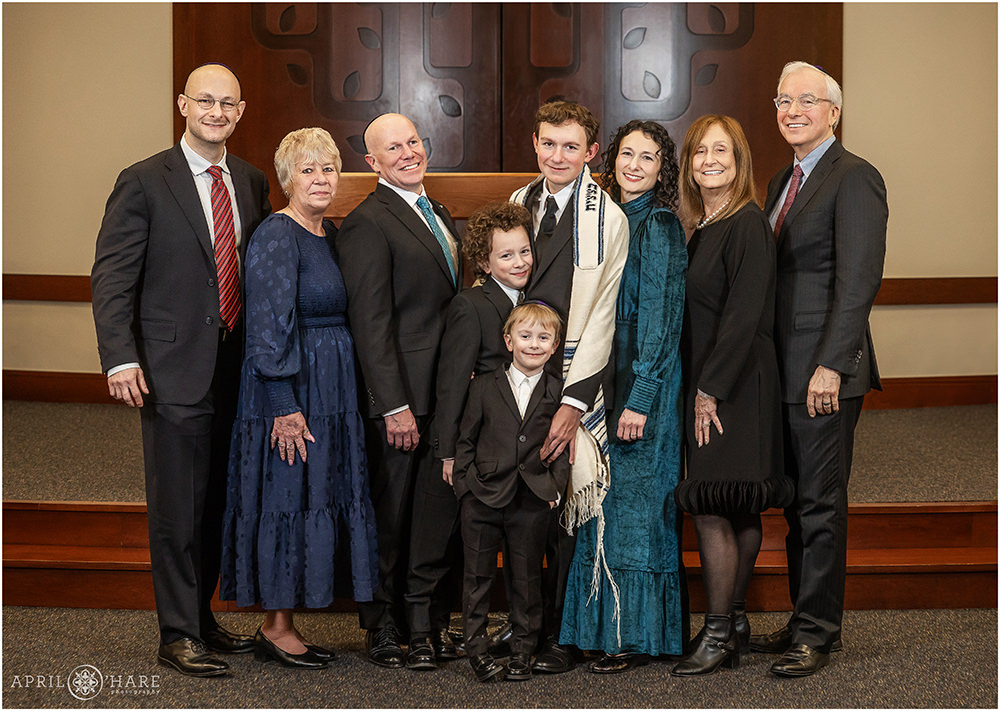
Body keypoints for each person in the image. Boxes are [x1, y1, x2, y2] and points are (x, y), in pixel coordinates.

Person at [90, 63, 271, 677]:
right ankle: (176, 635)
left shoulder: (249, 181)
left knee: (218, 497)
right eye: (205, 101)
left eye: (228, 103)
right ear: (183, 105)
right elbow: (113, 277)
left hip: (235, 367)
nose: (216, 112)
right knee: (177, 506)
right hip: (170, 368)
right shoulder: (143, 180)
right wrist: (120, 355)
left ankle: (203, 620)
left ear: (240, 112)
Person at [218, 128, 378, 669]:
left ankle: (290, 621)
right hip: (289, 386)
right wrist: (284, 405)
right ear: (288, 178)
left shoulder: (327, 232)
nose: (320, 179)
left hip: (332, 385)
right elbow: (264, 327)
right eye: (307, 170)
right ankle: (275, 626)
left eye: (328, 169)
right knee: (287, 494)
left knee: (317, 491)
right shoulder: (276, 235)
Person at [749, 61, 887, 678]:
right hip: (783, 373)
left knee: (822, 504)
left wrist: (831, 365)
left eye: (806, 100)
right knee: (798, 503)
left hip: (824, 374)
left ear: (834, 111)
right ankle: (804, 617)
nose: (792, 109)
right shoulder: (784, 179)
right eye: (782, 100)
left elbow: (857, 284)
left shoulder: (855, 177)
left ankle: (818, 633)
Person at [559, 120, 688, 672]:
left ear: (663, 171)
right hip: (606, 373)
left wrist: (641, 397)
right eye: (628, 154)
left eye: (649, 158)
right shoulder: (607, 217)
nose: (635, 165)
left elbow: (662, 320)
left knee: (635, 506)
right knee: (602, 498)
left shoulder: (658, 224)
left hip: (643, 381)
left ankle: (632, 636)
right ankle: (596, 627)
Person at [336, 113, 463, 670]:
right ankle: (382, 624)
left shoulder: (438, 213)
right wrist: (392, 405)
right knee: (391, 512)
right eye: (393, 148)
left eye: (412, 141)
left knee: (432, 511)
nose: (407, 153)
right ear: (373, 163)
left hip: (445, 392)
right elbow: (371, 322)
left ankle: (429, 620)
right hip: (403, 398)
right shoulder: (368, 222)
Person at [670, 115, 794, 677]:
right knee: (736, 500)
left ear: (740, 160)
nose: (710, 161)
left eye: (721, 151)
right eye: (700, 152)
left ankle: (717, 633)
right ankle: (736, 620)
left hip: (734, 384)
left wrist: (708, 392)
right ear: (690, 164)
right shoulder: (703, 223)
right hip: (718, 379)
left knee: (715, 503)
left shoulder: (745, 223)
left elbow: (745, 318)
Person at [509, 100, 629, 674]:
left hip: (570, 378)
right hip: (518, 370)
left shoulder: (607, 217)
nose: (558, 156)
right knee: (520, 503)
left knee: (562, 510)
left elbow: (603, 314)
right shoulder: (519, 203)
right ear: (535, 143)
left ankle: (559, 634)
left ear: (591, 152)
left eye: (571, 146)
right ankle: (521, 627)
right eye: (548, 144)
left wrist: (575, 402)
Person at [453, 302, 571, 682]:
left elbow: (566, 447)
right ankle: (477, 650)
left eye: (543, 338)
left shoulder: (559, 393)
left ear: (554, 346)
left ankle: (522, 651)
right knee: (477, 578)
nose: (534, 344)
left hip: (532, 499)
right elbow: (466, 438)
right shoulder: (484, 385)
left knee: (526, 580)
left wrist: (554, 488)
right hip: (482, 497)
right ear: (509, 341)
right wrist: (464, 487)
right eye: (526, 336)